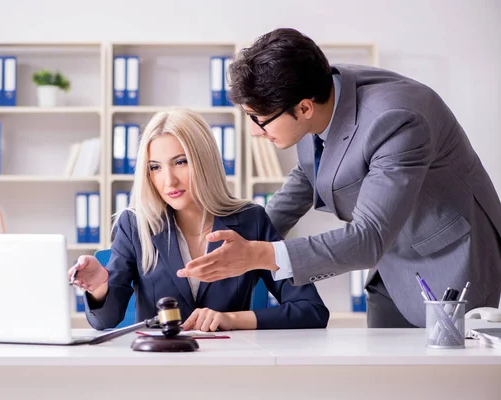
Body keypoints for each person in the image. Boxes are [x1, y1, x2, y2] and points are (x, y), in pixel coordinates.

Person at [177, 28, 501, 329]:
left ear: (304, 108)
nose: (254, 132)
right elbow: (308, 174)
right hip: (391, 269)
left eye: (259, 120)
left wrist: (261, 254)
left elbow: (369, 236)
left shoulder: (396, 120)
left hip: (448, 265)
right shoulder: (318, 90)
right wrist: (241, 233)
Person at [69, 108, 329, 332]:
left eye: (180, 162)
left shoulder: (251, 220)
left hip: (227, 364)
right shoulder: (135, 225)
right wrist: (100, 287)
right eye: (155, 167)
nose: (168, 180)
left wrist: (231, 319)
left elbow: (311, 310)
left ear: (204, 161)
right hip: (159, 367)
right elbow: (106, 321)